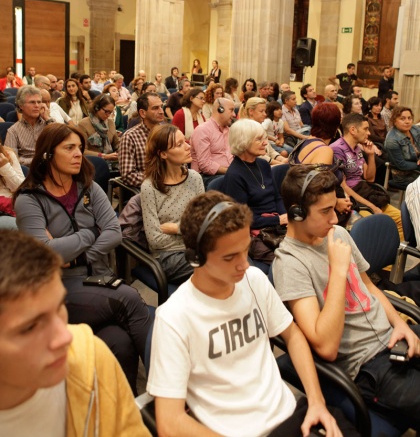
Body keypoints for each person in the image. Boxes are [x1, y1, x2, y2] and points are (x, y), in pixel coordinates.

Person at [147, 190, 354, 437]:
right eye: (230, 257)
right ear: (195, 258)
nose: (244, 264)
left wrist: (316, 401)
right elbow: (170, 422)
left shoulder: (253, 279)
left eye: (245, 250)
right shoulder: (174, 318)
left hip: (293, 416)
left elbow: (294, 336)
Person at [274, 165, 420, 433]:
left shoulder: (338, 234)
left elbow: (370, 289)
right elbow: (327, 347)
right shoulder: (289, 264)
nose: (336, 216)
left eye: (334, 207)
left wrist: (399, 324)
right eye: (325, 211)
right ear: (296, 212)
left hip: (394, 336)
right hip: (369, 365)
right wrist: (338, 271)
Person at [14, 123, 151, 394]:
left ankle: (128, 411)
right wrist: (90, 233)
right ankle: (169, 388)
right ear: (47, 155)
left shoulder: (88, 187)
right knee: (131, 299)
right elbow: (46, 254)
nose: (79, 154)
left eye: (79, 147)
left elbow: (114, 232)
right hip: (57, 288)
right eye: (69, 148)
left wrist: (75, 255)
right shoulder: (29, 199)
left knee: (119, 341)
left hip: (96, 278)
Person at [0, 229, 151, 437]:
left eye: (60, 305)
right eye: (30, 327)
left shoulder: (91, 355)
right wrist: (90, 235)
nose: (66, 337)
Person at [140, 124, 204, 282]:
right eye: (180, 144)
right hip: (168, 256)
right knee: (215, 265)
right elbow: (155, 240)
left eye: (185, 141)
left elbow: (204, 224)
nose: (188, 147)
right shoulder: (150, 187)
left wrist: (176, 228)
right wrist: (190, 231)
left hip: (197, 247)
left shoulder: (195, 178)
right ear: (163, 154)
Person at [223, 119, 288, 263]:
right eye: (259, 139)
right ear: (243, 142)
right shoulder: (234, 175)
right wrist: (279, 219)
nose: (265, 143)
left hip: (276, 227)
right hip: (255, 235)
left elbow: (276, 198)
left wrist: (285, 216)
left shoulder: (263, 164)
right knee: (288, 261)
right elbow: (243, 219)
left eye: (264, 138)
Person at [331, 113, 403, 236]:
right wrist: (372, 207)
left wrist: (370, 155)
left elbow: (370, 178)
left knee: (400, 219)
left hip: (364, 192)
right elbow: (345, 188)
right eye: (365, 129)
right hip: (352, 201)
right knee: (374, 226)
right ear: (353, 130)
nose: (369, 133)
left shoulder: (357, 148)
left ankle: (394, 254)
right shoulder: (337, 149)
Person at [287, 103, 354, 226]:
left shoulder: (304, 142)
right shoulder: (324, 150)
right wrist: (336, 202)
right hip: (320, 213)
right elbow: (318, 189)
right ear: (336, 125)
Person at [118, 93, 165, 188]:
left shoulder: (169, 133)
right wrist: (160, 179)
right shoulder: (130, 137)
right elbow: (128, 176)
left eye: (161, 107)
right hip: (146, 190)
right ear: (143, 113)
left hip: (173, 186)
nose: (161, 111)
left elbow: (181, 164)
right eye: (155, 108)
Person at [4, 86, 56, 165]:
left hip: (51, 167)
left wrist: (47, 118)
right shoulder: (13, 131)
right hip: (28, 171)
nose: (37, 106)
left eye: (39, 102)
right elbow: (12, 160)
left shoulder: (49, 123)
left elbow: (61, 141)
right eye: (32, 102)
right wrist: (39, 159)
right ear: (21, 105)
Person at [190, 97, 236, 187]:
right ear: (220, 109)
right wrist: (232, 171)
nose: (234, 114)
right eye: (231, 110)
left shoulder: (229, 130)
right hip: (207, 177)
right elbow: (205, 165)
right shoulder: (203, 130)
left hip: (228, 174)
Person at [240, 97, 288, 165]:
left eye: (265, 111)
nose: (265, 114)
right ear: (251, 111)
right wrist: (279, 163)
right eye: (261, 111)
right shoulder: (246, 129)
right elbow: (259, 156)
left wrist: (282, 159)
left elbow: (270, 151)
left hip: (266, 163)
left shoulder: (260, 127)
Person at [78, 94, 119, 169]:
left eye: (111, 112)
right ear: (97, 107)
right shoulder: (83, 124)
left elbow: (117, 144)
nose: (108, 115)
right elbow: (82, 151)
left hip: (111, 164)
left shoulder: (110, 123)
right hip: (92, 165)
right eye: (106, 111)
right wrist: (104, 156)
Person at [384, 106, 420, 185]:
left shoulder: (415, 129)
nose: (407, 121)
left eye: (409, 118)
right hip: (403, 175)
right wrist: (418, 165)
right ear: (394, 121)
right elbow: (401, 165)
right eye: (402, 119)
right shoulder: (392, 140)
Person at [0, 137, 24, 229]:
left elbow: (21, 188)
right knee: (19, 227)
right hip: (3, 211)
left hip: (15, 205)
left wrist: (5, 167)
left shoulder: (8, 154)